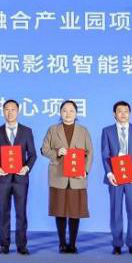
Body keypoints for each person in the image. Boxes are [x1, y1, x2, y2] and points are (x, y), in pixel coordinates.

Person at [40, 100, 92, 253]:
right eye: (64, 110)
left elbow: (90, 153)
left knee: (75, 211)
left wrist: (85, 171)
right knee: (60, 210)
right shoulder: (53, 129)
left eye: (71, 111)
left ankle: (73, 243)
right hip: (59, 175)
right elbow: (44, 149)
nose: (68, 114)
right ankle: (62, 243)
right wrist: (56, 152)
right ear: (60, 113)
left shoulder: (83, 131)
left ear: (76, 113)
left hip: (77, 176)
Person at [0, 99, 37, 255]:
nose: (10, 112)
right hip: (3, 179)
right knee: (4, 212)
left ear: (18, 111)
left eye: (13, 109)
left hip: (21, 179)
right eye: (7, 109)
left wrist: (26, 168)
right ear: (3, 112)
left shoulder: (27, 131)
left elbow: (33, 154)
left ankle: (22, 246)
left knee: (21, 212)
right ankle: (4, 245)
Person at [99, 100, 132, 255]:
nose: (123, 114)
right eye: (120, 111)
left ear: (130, 113)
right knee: (116, 211)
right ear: (114, 114)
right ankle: (117, 243)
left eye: (126, 111)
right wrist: (109, 173)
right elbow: (105, 154)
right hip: (115, 176)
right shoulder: (107, 131)